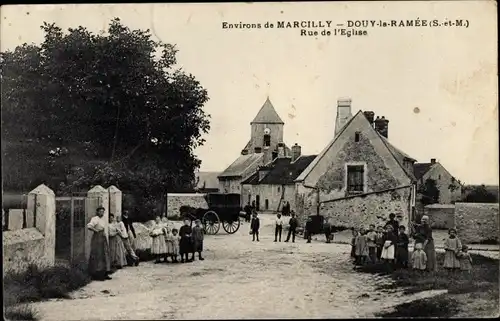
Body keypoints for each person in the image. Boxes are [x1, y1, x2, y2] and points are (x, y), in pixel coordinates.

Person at [87, 206, 111, 280]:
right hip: (97, 238)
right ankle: (97, 274)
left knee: (105, 254)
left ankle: (105, 273)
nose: (102, 213)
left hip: (103, 237)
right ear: (97, 212)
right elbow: (89, 226)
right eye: (100, 211)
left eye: (103, 211)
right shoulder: (95, 219)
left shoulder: (103, 219)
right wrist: (95, 230)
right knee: (98, 254)